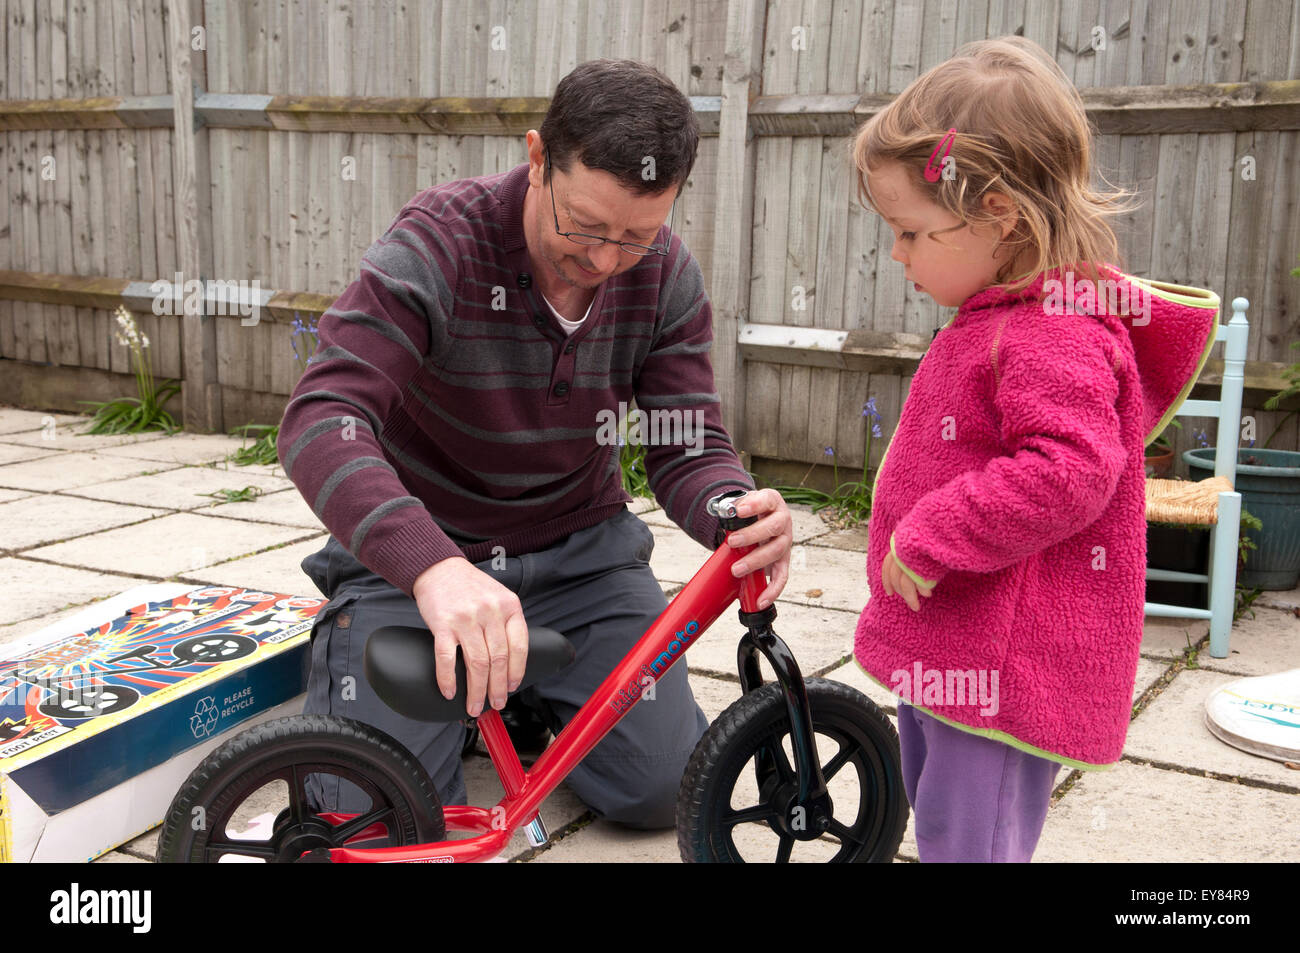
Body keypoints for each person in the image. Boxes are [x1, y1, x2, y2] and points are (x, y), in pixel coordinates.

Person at [279, 58, 793, 830]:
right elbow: (323, 414)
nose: (604, 259)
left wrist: (733, 506)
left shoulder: (665, 275)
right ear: (537, 158)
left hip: (581, 555)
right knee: (381, 817)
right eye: (583, 224)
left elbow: (686, 441)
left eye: (636, 236)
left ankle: (515, 688)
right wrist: (431, 564)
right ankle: (451, 677)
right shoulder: (440, 241)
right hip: (422, 560)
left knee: (665, 792)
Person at [849, 37, 1220, 861]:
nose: (899, 254)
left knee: (971, 840)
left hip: (1000, 668)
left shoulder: (1052, 331)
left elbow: (1072, 469)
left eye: (911, 232)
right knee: (944, 819)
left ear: (999, 216)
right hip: (959, 643)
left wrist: (932, 530)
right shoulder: (1002, 314)